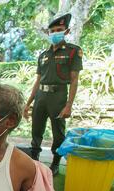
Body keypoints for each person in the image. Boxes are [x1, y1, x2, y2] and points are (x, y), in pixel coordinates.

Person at [24, 13, 83, 176]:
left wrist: (68, 105)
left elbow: (74, 80)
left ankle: (55, 164)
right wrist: (28, 103)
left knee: (58, 133)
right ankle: (34, 161)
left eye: (59, 29)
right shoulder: (43, 55)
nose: (55, 33)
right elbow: (37, 81)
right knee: (36, 131)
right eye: (53, 30)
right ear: (49, 33)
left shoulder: (73, 52)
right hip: (41, 97)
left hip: (58, 97)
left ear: (66, 31)